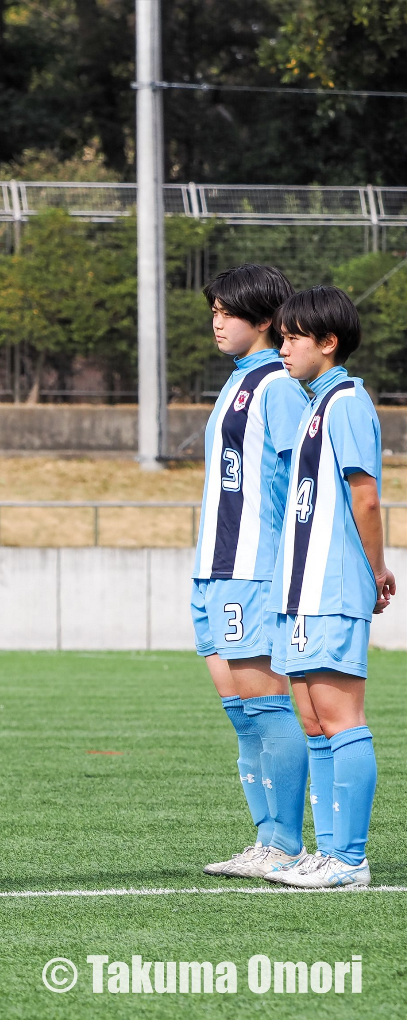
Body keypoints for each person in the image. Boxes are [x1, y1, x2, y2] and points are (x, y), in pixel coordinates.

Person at [263, 286, 395, 889]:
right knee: (313, 720)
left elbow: (364, 494)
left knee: (341, 718)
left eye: (293, 337)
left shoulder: (345, 400)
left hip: (333, 586)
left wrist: (377, 569)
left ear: (328, 342)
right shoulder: (315, 403)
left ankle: (351, 858)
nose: (283, 346)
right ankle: (327, 852)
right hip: (301, 591)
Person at [190, 265, 313, 881]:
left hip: (253, 568)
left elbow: (304, 478)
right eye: (213, 309)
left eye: (228, 311)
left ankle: (287, 844)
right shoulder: (240, 381)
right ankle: (265, 840)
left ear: (264, 320)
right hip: (214, 567)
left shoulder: (278, 386)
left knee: (266, 707)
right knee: (241, 713)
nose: (216, 321)